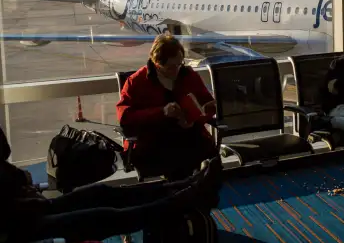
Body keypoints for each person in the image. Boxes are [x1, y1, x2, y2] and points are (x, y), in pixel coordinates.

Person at [0, 127, 222, 243]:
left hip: (26, 209)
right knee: (105, 216)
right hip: (16, 228)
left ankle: (182, 187)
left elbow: (4, 153)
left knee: (100, 193)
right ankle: (185, 198)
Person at [116, 33, 218, 180]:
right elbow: (125, 117)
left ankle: (193, 193)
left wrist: (196, 119)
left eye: (179, 64)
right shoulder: (136, 82)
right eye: (170, 67)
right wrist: (161, 112)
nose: (176, 70)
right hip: (154, 138)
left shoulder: (187, 75)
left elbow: (208, 104)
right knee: (179, 161)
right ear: (157, 63)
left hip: (188, 134)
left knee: (211, 159)